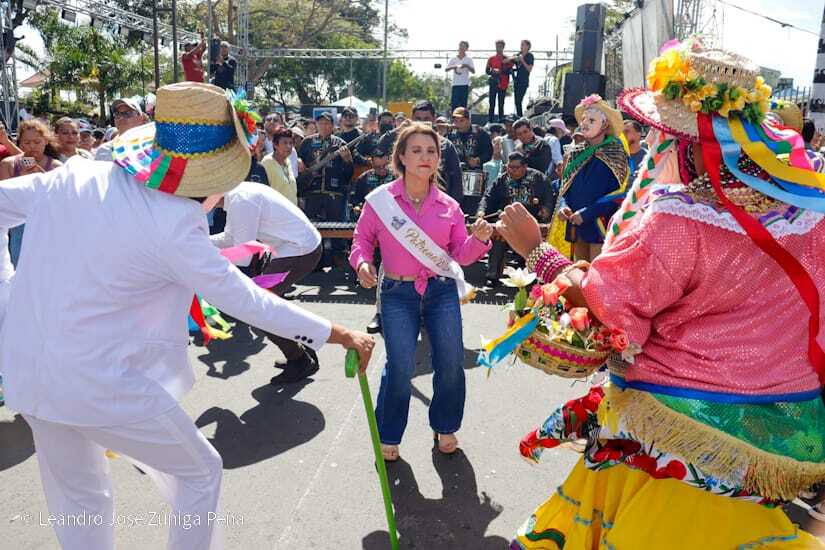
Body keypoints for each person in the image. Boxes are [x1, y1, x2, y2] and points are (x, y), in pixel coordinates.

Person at [0, 82, 374, 550]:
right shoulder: (174, 223)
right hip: (99, 383)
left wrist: (10, 298)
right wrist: (340, 333)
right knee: (199, 473)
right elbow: (248, 300)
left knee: (79, 499)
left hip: (29, 373)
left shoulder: (75, 176)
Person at [499, 41, 825, 549]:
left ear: (685, 141)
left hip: (676, 426)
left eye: (661, 134)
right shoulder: (810, 216)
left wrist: (536, 251)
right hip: (780, 432)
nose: (654, 144)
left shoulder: (679, 218)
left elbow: (610, 313)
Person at [350, 123, 493, 462]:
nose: (424, 157)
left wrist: (480, 240)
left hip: (441, 291)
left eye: (431, 151)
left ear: (439, 159)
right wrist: (362, 263)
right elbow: (362, 240)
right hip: (397, 292)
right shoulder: (380, 201)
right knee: (400, 366)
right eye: (416, 150)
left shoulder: (449, 206)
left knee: (450, 361)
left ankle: (445, 425)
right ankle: (389, 433)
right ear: (401, 156)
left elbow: (461, 254)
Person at [210, 180, 324, 384]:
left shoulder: (241, 200)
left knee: (258, 308)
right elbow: (230, 238)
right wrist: (201, 242)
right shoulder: (237, 196)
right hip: (296, 248)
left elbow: (243, 256)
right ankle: (302, 349)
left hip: (299, 250)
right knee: (264, 306)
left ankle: (300, 359)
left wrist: (202, 255)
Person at [556, 95, 628, 262]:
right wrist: (564, 206)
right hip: (576, 225)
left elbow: (618, 195)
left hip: (600, 225)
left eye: (591, 120)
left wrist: (588, 213)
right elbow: (565, 187)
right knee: (578, 271)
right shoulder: (575, 153)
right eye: (583, 119)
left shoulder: (616, 153)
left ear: (605, 124)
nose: (585, 123)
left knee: (595, 273)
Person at [478, 151, 552, 283]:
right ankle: (493, 273)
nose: (511, 170)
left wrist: (546, 209)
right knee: (498, 234)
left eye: (516, 167)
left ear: (525, 167)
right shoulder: (502, 180)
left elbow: (549, 198)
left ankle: (535, 275)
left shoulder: (539, 178)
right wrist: (481, 212)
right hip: (507, 221)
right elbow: (488, 197)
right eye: (509, 167)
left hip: (531, 222)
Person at [0, 119, 62, 267]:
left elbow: (60, 201)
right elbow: (4, 202)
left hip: (48, 227)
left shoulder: (57, 167)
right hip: (18, 229)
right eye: (27, 142)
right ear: (20, 143)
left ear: (46, 141)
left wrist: (40, 175)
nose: (32, 146)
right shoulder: (8, 164)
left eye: (37, 142)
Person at [377, 100, 463, 203]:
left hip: (436, 203)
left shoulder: (445, 145)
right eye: (418, 119)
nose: (422, 123)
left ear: (434, 119)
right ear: (412, 119)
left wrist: (451, 206)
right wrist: (399, 129)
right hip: (403, 201)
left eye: (426, 119)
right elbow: (381, 147)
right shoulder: (404, 142)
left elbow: (456, 179)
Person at [297, 112, 353, 268]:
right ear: (316, 124)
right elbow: (298, 160)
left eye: (327, 123)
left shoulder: (341, 143)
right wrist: (300, 162)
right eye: (321, 123)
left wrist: (348, 161)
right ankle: (313, 262)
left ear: (333, 126)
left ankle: (338, 261)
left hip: (334, 193)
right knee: (311, 228)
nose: (324, 126)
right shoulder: (307, 142)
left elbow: (348, 175)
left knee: (336, 228)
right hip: (312, 192)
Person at [448, 106, 493, 213]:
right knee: (454, 205)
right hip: (455, 175)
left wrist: (478, 160)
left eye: (461, 120)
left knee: (472, 206)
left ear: (468, 120)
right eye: (455, 121)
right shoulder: (450, 134)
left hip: (474, 175)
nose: (458, 124)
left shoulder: (480, 133)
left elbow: (488, 151)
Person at [261, 126, 298, 204]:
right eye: (285, 143)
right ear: (275, 145)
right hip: (274, 209)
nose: (288, 146)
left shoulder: (288, 161)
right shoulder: (267, 162)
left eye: (291, 143)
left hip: (291, 209)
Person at [486, 40, 512, 123]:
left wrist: (501, 71)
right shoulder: (491, 58)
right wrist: (493, 71)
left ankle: (501, 121)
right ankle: (490, 121)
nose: (498, 48)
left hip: (503, 83)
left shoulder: (507, 59)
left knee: (501, 103)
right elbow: (487, 71)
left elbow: (509, 71)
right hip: (493, 82)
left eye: (500, 46)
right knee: (491, 103)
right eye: (497, 46)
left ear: (503, 47)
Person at [446, 40, 475, 111]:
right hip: (455, 84)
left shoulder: (469, 59)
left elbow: (473, 71)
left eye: (463, 46)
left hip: (464, 85)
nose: (461, 47)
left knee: (463, 105)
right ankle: (453, 117)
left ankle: (463, 118)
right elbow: (446, 69)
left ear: (466, 48)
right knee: (454, 105)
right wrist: (454, 66)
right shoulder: (454, 59)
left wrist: (466, 65)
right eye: (460, 46)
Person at [509, 40, 534, 118]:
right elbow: (508, 60)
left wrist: (522, 60)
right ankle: (519, 117)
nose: (521, 46)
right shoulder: (518, 54)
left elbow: (529, 69)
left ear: (528, 46)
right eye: (521, 44)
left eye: (523, 45)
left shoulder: (529, 56)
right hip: (517, 81)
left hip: (524, 81)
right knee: (516, 102)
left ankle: (520, 118)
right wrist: (513, 58)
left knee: (519, 100)